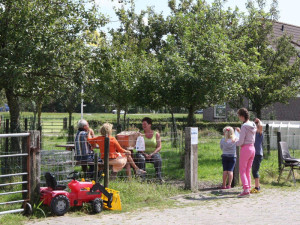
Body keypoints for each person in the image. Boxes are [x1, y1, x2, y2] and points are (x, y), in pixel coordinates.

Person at [135, 117, 164, 183]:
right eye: (142, 124)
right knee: (141, 158)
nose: (143, 126)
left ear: (150, 125)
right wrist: (144, 154)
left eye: (145, 124)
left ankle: (158, 177)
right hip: (142, 153)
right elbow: (138, 147)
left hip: (153, 153)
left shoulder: (156, 134)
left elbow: (159, 146)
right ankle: (142, 178)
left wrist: (152, 154)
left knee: (158, 159)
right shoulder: (140, 134)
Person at [236, 108, 257, 197]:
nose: (239, 118)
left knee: (242, 170)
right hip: (252, 148)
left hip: (245, 149)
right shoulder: (253, 125)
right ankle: (248, 187)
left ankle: (245, 189)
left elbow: (241, 142)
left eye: (239, 116)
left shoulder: (244, 126)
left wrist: (235, 142)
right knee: (248, 170)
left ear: (242, 116)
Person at [251, 118, 263, 193]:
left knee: (255, 171)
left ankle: (257, 187)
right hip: (253, 154)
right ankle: (257, 185)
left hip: (257, 154)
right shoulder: (253, 134)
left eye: (256, 127)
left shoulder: (259, 134)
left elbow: (261, 126)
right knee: (254, 171)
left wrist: (258, 121)